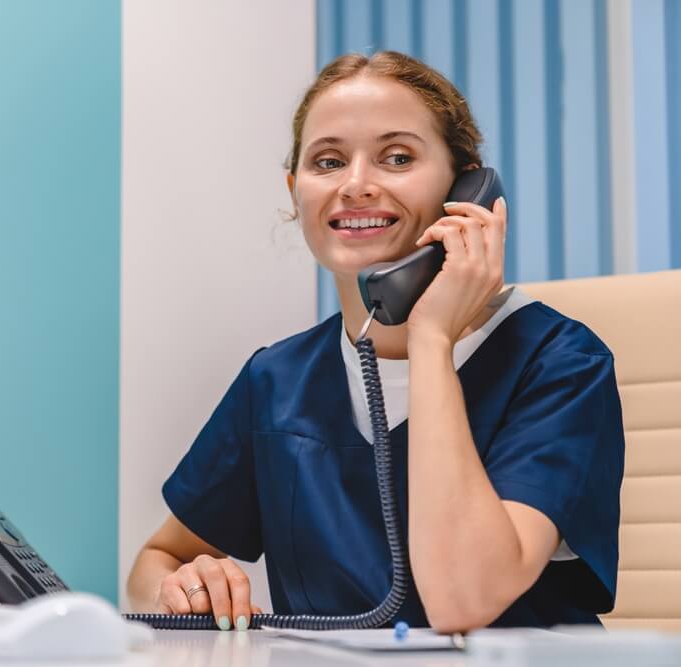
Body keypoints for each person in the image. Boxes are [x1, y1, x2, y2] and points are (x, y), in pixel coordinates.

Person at [126, 51, 624, 634]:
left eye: (397, 157)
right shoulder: (278, 379)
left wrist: (431, 339)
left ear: (466, 187)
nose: (357, 185)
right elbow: (157, 560)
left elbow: (464, 601)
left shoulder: (559, 363)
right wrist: (180, 588)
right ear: (296, 191)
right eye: (329, 161)